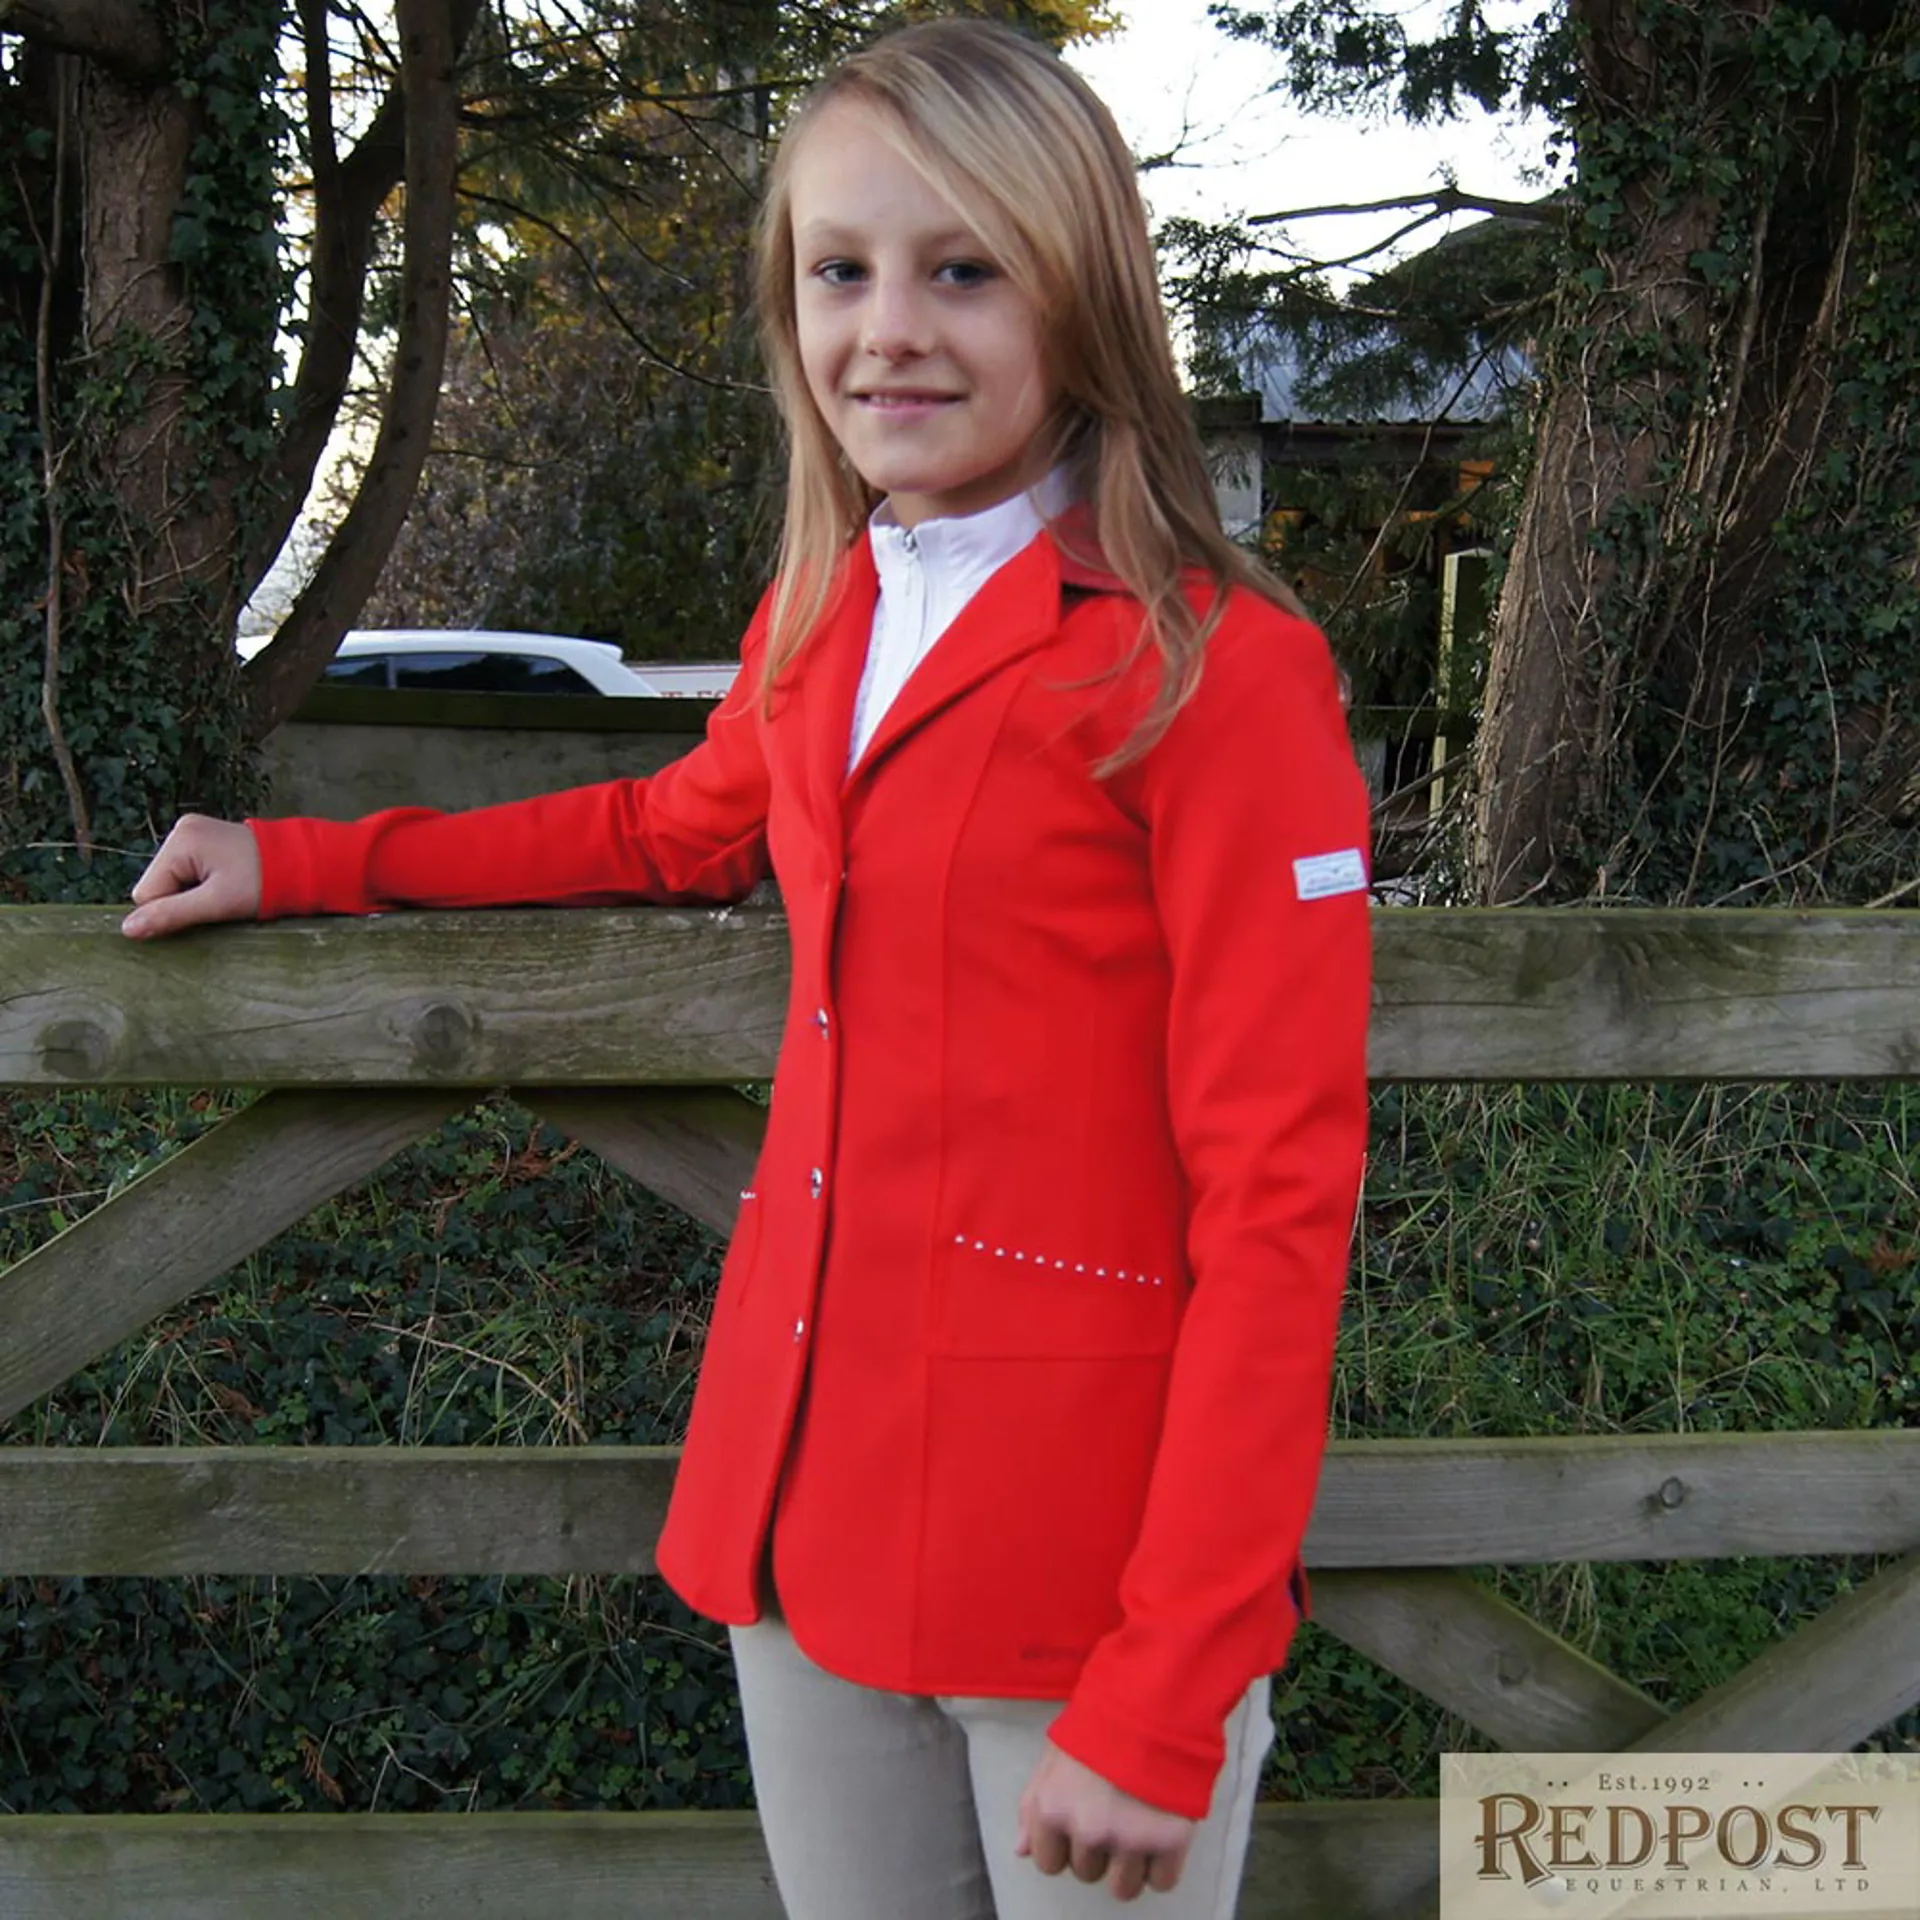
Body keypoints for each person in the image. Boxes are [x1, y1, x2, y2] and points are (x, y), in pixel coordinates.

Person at [123, 17, 1372, 1916]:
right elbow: (660, 827)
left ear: (1085, 294)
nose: (890, 330)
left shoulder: (1218, 668)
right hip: (801, 1514)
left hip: (1082, 1571)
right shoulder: (827, 612)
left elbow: (1282, 1198)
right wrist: (301, 857)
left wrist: (1180, 1669)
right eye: (838, 271)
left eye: (965, 270)